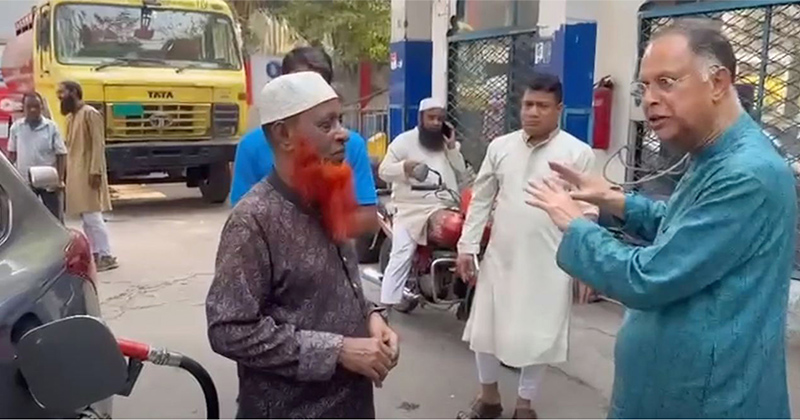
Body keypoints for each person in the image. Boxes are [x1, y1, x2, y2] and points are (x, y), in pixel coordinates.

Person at [525, 20, 795, 418]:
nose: (649, 100)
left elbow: (649, 278)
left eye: (666, 83)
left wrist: (576, 226)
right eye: (644, 87)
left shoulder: (746, 174)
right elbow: (686, 227)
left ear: (718, 83)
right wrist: (616, 200)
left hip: (708, 402)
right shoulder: (714, 156)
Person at [206, 72, 399, 419]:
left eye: (340, 120)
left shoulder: (325, 198)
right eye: (326, 125)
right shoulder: (253, 220)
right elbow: (229, 329)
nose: (343, 133)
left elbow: (332, 289)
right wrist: (337, 351)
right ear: (284, 135)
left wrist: (371, 317)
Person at [454, 74, 597, 419]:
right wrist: (467, 245)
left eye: (542, 106)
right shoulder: (500, 147)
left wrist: (586, 263)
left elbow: (588, 210)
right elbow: (482, 198)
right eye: (528, 104)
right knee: (486, 330)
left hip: (551, 261)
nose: (533, 112)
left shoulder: (578, 153)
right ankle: (488, 399)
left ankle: (524, 405)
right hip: (501, 257)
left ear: (559, 109)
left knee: (538, 335)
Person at [230, 46, 378, 234]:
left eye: (319, 85)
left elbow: (368, 218)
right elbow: (243, 220)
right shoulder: (251, 148)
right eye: (301, 85)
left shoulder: (352, 145)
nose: (341, 135)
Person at [377, 97, 468, 306]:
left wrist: (452, 147)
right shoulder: (403, 141)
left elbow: (461, 170)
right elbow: (384, 171)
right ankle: (386, 305)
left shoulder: (447, 144)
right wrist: (405, 168)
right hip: (412, 208)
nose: (436, 122)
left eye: (440, 119)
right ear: (421, 118)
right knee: (402, 252)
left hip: (446, 205)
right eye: (431, 118)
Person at [58, 80, 119, 272]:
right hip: (76, 173)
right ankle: (95, 254)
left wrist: (95, 171)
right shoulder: (70, 118)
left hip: (89, 172)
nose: (59, 96)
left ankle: (106, 255)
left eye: (62, 92)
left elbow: (98, 145)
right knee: (86, 219)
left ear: (74, 92)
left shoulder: (90, 114)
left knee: (93, 216)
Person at [8, 92, 66, 221]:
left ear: (42, 107)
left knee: (54, 218)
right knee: (26, 218)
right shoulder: (16, 128)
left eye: (36, 106)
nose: (33, 110)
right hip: (25, 181)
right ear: (23, 108)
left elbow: (61, 153)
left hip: (48, 181)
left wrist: (60, 179)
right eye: (29, 107)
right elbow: (12, 155)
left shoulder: (51, 127)